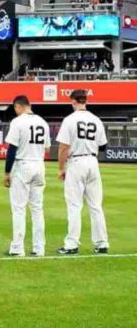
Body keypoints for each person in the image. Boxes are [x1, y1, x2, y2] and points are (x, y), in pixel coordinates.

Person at [56, 90, 109, 255]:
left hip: (76, 162)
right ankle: (102, 243)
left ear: (73, 101)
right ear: (85, 100)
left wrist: (60, 168)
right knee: (95, 206)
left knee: (74, 205)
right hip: (93, 162)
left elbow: (64, 147)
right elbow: (103, 146)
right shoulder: (96, 119)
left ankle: (71, 244)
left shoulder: (70, 120)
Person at [3, 95, 51, 257]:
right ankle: (39, 248)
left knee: (19, 208)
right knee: (37, 209)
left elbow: (11, 149)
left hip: (23, 165)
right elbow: (47, 149)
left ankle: (17, 248)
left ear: (18, 106)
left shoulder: (18, 122)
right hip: (39, 164)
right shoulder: (43, 122)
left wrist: (7, 172)